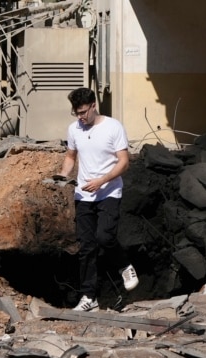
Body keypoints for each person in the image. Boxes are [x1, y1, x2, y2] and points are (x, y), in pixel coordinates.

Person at [57, 87, 139, 312]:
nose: (81, 117)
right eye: (77, 113)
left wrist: (102, 180)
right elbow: (70, 156)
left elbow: (124, 161)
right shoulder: (74, 129)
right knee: (86, 247)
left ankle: (124, 266)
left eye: (83, 112)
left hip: (109, 192)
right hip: (83, 194)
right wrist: (63, 175)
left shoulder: (113, 127)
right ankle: (89, 297)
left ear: (94, 105)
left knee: (104, 237)